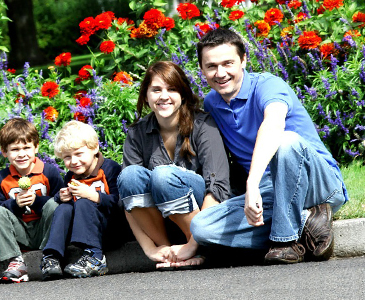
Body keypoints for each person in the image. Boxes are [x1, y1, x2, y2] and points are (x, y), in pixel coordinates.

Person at [191, 28, 349, 264]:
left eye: (228, 63)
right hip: (270, 192)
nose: (220, 73)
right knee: (202, 227)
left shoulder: (268, 85)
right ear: (202, 70)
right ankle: (307, 222)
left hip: (318, 183)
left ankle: (284, 242)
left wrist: (251, 183)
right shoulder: (212, 102)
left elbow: (273, 125)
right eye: (211, 66)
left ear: (244, 60)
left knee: (286, 141)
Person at [117, 61, 231, 270]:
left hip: (206, 219)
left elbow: (218, 187)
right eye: (156, 90)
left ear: (183, 94)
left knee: (163, 176)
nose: (163, 96)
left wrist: (193, 243)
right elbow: (127, 201)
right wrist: (150, 249)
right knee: (129, 176)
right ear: (146, 95)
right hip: (163, 224)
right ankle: (168, 252)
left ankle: (201, 249)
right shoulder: (136, 134)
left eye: (171, 89)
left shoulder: (203, 125)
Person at [0, 118, 63, 283]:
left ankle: (50, 257)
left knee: (56, 205)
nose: (21, 154)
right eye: (15, 149)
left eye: (27, 147)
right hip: (19, 231)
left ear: (36, 147)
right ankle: (15, 261)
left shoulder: (49, 172)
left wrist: (37, 201)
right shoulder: (2, 178)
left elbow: (62, 202)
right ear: (4, 152)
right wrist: (15, 204)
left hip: (44, 229)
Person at [40, 120, 122, 280]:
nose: (74, 161)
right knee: (64, 208)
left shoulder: (111, 169)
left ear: (95, 148)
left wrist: (93, 196)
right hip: (82, 231)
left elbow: (119, 204)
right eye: (67, 157)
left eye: (79, 154)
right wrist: (61, 196)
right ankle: (52, 256)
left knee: (84, 201)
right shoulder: (71, 175)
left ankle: (96, 258)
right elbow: (70, 207)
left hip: (111, 228)